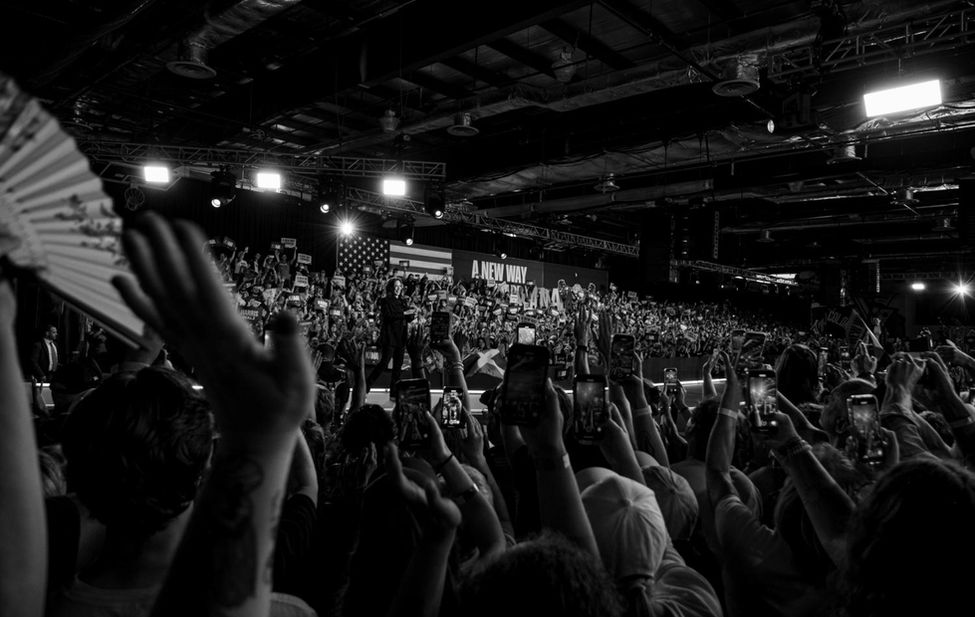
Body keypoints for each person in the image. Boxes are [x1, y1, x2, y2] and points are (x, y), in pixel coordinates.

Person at [367, 278, 414, 394]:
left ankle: (394, 392)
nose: (398, 288)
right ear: (391, 288)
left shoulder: (403, 301)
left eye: (399, 286)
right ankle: (367, 384)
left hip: (401, 337)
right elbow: (388, 315)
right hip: (390, 337)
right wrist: (403, 313)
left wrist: (412, 313)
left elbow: (409, 318)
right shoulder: (385, 301)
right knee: (383, 363)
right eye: (396, 286)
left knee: (397, 368)